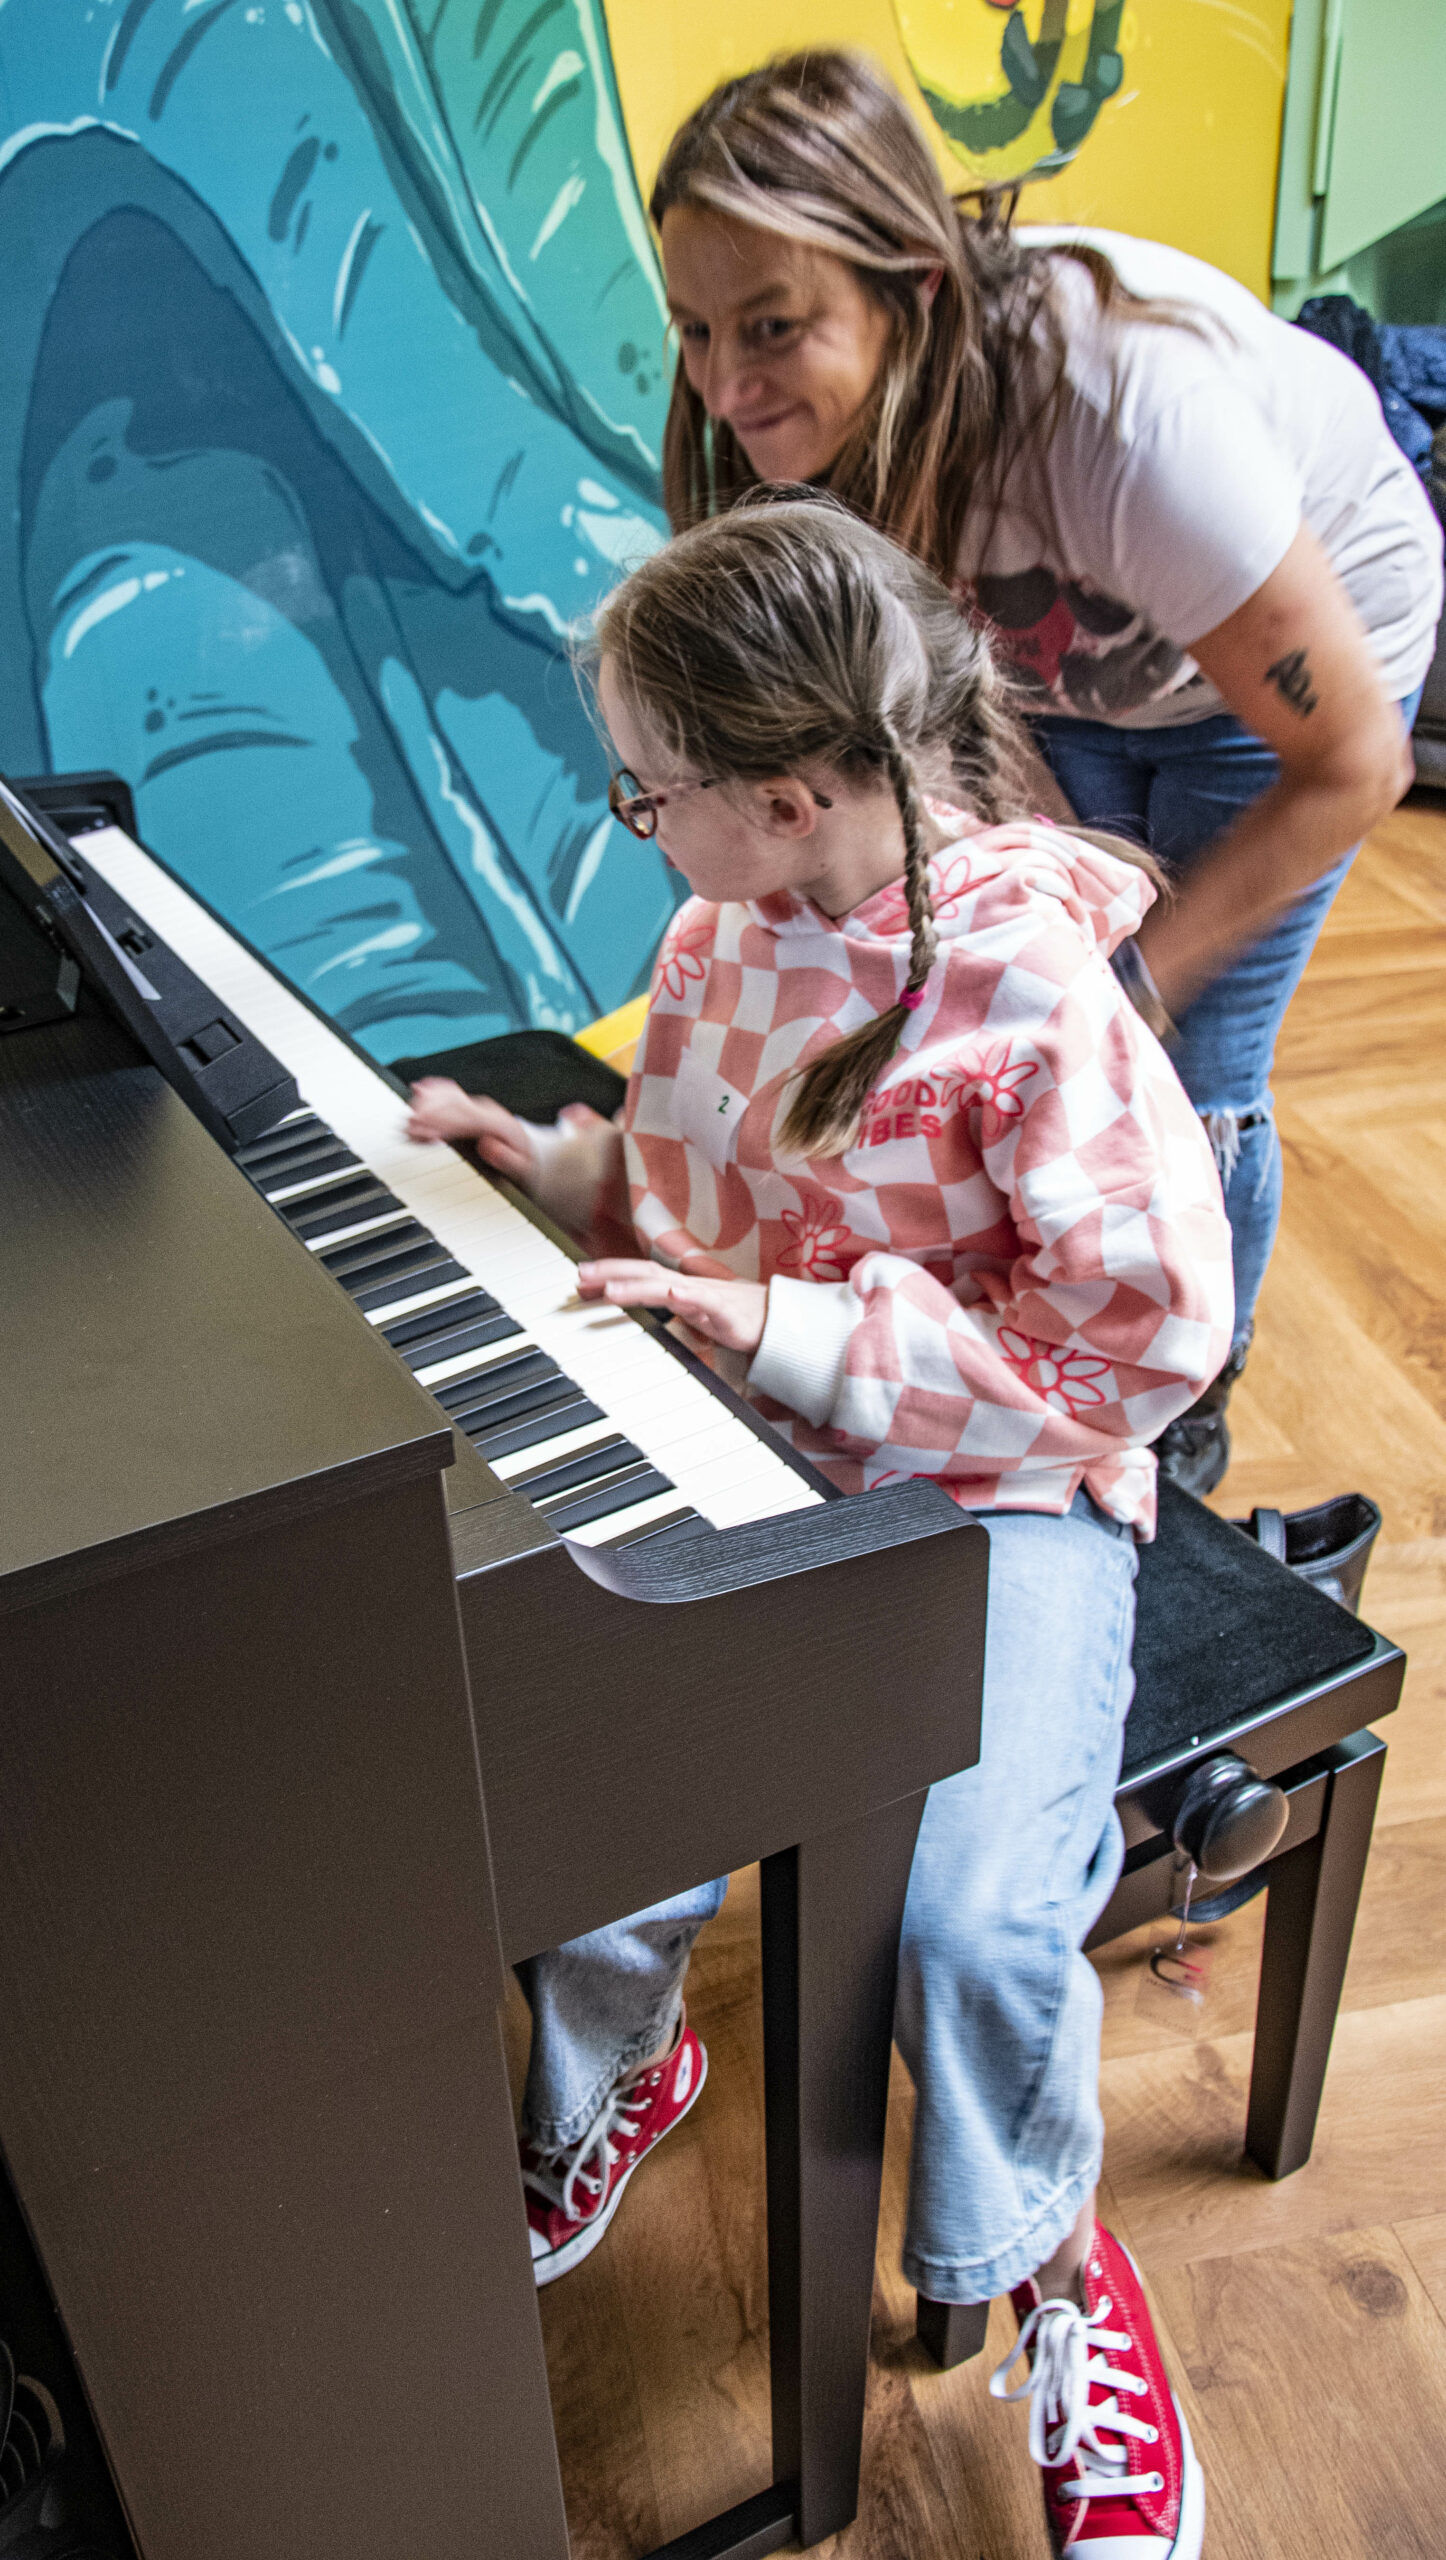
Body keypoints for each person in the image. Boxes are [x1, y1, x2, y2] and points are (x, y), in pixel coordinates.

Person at [407, 496, 1232, 2557]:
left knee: (971, 1918)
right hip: (769, 1453)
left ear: (787, 793)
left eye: (648, 791)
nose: (639, 828)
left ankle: (1057, 2266)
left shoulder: (1029, 985)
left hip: (1011, 1495)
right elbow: (689, 1199)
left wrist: (797, 1328)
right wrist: (554, 1161)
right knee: (601, 1770)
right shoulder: (717, 938)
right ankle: (614, 2071)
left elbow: (1142, 1345)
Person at [645, 49, 1443, 1490]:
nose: (727, 384)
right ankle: (996, 1335)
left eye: (771, 326)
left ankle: (1179, 1393)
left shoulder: (1129, 423)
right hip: (1073, 660)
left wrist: (1116, 989)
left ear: (912, 286)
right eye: (696, 329)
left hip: (1283, 691)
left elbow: (1352, 762)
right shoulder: (833, 428)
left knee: (1171, 1066)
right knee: (1018, 1008)